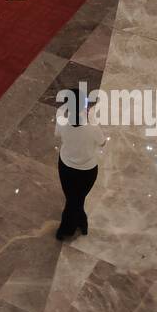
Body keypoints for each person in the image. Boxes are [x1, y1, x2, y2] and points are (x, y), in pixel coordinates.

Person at [55, 90, 106, 240]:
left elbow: (58, 134)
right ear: (84, 105)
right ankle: (78, 225)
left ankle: (68, 228)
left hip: (66, 167)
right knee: (77, 200)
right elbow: (103, 143)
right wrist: (91, 117)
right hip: (87, 171)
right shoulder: (92, 126)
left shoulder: (61, 119)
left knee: (72, 199)